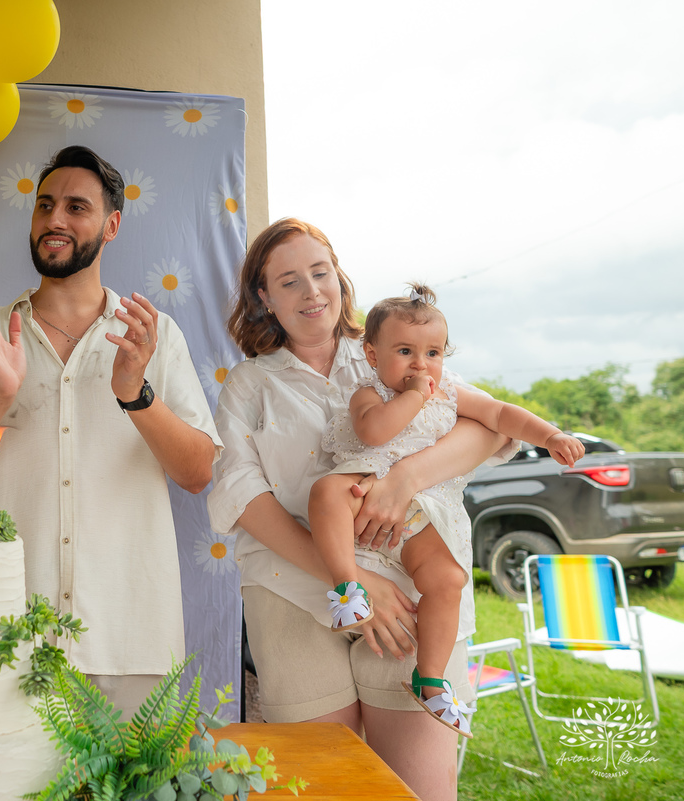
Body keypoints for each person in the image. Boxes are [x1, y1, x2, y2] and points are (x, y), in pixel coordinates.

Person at [0, 145, 222, 715]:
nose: (55, 219)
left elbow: (198, 473)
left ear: (112, 225)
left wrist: (134, 392)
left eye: (76, 207)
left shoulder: (152, 336)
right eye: (45, 205)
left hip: (131, 637)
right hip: (8, 646)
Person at [207, 218, 513, 801]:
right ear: (265, 297)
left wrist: (403, 481)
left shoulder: (391, 350)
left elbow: (489, 427)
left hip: (408, 595)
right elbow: (240, 496)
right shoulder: (249, 384)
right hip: (291, 594)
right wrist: (350, 579)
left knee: (418, 791)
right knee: (323, 788)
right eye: (289, 281)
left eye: (320, 272)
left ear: (339, 278)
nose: (312, 291)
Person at [308, 283, 584, 736]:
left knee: (449, 579)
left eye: (433, 353)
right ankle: (347, 589)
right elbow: (375, 433)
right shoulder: (367, 394)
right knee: (325, 492)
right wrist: (415, 396)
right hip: (362, 491)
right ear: (373, 355)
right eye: (405, 351)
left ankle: (431, 679)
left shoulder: (451, 392)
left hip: (421, 516)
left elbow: (500, 415)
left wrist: (549, 434)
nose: (421, 364)